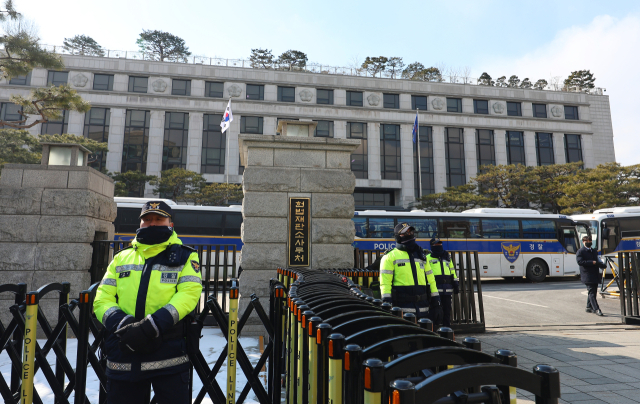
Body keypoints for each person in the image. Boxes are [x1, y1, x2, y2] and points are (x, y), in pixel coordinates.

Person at [94, 201, 203, 404]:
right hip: (124, 353)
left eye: (158, 219)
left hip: (168, 355)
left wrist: (151, 326)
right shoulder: (120, 258)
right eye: (147, 219)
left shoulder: (187, 257)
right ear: (141, 224)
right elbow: (102, 298)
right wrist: (124, 326)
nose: (152, 224)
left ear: (170, 223)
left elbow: (188, 295)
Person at [379, 222, 442, 319]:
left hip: (423, 309)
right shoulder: (389, 257)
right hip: (402, 311)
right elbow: (385, 283)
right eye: (405, 233)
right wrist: (387, 302)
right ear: (398, 237)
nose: (410, 235)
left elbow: (431, 280)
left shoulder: (422, 255)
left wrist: (436, 301)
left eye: (411, 232)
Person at [426, 237, 458, 327]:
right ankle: (435, 331)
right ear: (432, 246)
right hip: (435, 291)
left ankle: (447, 331)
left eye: (440, 244)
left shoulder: (447, 257)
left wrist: (456, 284)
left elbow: (452, 271)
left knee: (447, 312)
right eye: (436, 244)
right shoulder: (428, 258)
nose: (439, 245)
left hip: (447, 290)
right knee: (434, 312)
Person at [576, 235, 606, 316]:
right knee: (592, 292)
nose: (589, 242)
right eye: (587, 241)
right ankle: (596, 309)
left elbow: (597, 260)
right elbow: (580, 262)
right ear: (583, 242)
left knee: (593, 291)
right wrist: (591, 262)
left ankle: (588, 307)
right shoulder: (580, 251)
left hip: (595, 273)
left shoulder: (594, 251)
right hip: (587, 274)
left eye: (590, 241)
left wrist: (602, 265)